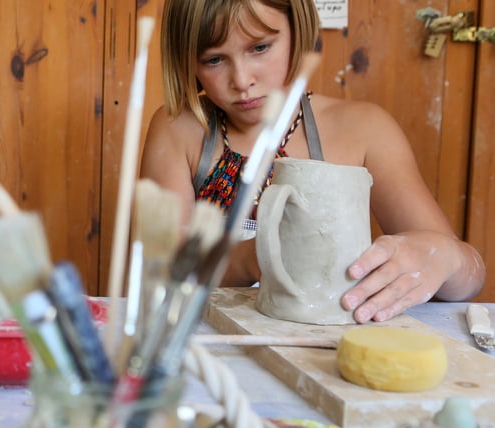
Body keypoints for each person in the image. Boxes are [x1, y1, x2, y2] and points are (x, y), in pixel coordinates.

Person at [140, 0, 485, 323]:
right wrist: (259, 256)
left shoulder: (364, 129)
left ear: (297, 30)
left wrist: (444, 258)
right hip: (208, 344)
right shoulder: (180, 129)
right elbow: (163, 272)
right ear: (187, 60)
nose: (242, 80)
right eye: (214, 59)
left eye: (259, 48)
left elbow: (467, 279)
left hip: (326, 341)